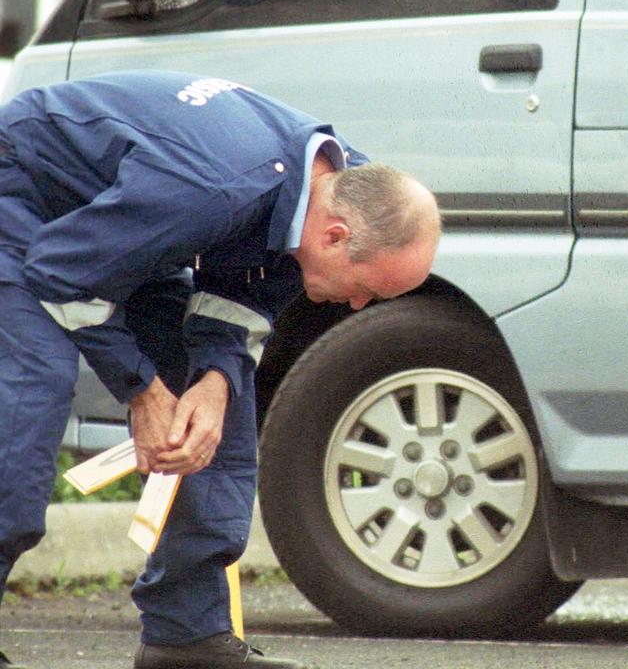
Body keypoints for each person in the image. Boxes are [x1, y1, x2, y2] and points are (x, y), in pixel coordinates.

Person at [0, 70, 441, 669]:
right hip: (24, 196)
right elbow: (62, 272)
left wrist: (213, 381)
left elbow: (243, 295)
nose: (358, 306)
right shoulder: (214, 189)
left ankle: (188, 636)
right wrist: (142, 391)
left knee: (216, 410)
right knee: (36, 387)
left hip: (123, 223)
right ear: (335, 238)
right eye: (364, 289)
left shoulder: (341, 189)